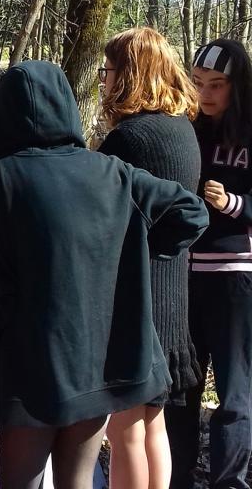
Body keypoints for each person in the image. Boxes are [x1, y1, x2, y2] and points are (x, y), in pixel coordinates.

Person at [0, 60, 208, 489]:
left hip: (33, 369)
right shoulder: (110, 170)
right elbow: (192, 213)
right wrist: (120, 257)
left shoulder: (4, 178)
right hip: (98, 364)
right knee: (76, 482)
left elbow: (0, 293)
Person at [96, 27, 202, 489]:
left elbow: (101, 222)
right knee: (153, 424)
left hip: (136, 302)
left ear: (128, 75)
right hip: (172, 295)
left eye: (109, 70)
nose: (103, 80)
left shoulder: (128, 140)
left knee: (124, 430)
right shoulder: (183, 131)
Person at [166, 38, 252, 489]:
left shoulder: (249, 130)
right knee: (183, 388)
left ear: (238, 87)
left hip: (236, 277)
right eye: (198, 83)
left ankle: (229, 482)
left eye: (217, 85)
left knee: (236, 394)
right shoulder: (185, 129)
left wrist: (234, 203)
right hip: (183, 276)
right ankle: (178, 476)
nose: (206, 94)